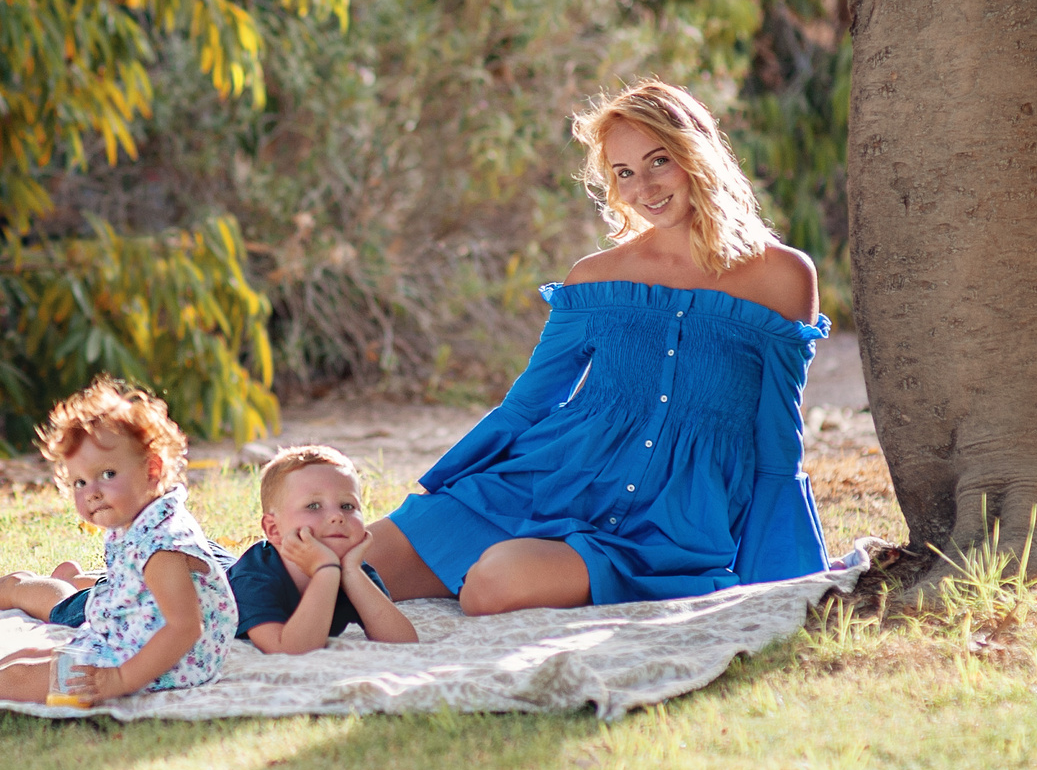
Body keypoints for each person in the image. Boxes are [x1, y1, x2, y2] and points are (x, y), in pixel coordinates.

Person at [358, 80, 830, 614]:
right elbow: (529, 404)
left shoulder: (781, 276)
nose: (643, 187)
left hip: (669, 526)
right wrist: (449, 486)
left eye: (658, 161)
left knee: (492, 585)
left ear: (696, 154)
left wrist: (780, 572)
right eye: (623, 172)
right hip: (552, 480)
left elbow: (777, 433)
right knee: (342, 562)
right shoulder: (595, 278)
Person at [0, 377, 238, 703]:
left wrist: (120, 678)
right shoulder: (138, 518)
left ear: (152, 470)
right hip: (132, 635)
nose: (92, 493)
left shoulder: (162, 548)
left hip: (166, 662)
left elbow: (185, 628)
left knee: (20, 675)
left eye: (108, 475)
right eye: (80, 483)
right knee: (27, 656)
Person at [229, 446, 419, 653]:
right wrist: (326, 572)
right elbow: (288, 650)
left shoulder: (353, 569)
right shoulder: (253, 576)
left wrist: (351, 572)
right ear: (274, 529)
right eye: (313, 506)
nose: (337, 516)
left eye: (347, 506)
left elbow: (402, 640)